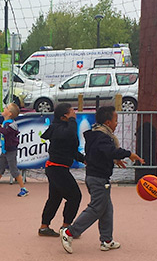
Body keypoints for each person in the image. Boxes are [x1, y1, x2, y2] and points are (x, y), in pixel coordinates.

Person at [60, 106, 145, 253]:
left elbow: (101, 153)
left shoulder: (96, 135)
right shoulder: (103, 137)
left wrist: (114, 158)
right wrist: (128, 154)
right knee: (96, 208)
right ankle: (69, 232)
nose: (117, 123)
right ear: (108, 122)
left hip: (96, 176)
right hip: (98, 178)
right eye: (116, 120)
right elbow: (109, 150)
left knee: (107, 210)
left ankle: (106, 240)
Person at [38, 103, 85, 237]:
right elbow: (69, 134)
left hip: (58, 168)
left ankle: (44, 227)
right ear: (64, 116)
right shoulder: (58, 128)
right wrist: (72, 120)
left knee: (55, 198)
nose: (74, 113)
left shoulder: (63, 128)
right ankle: (66, 227)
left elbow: (72, 150)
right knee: (75, 196)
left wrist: (85, 159)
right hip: (56, 168)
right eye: (71, 111)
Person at [0, 103, 28, 197]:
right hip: (5, 150)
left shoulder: (10, 124)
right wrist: (1, 126)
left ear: (10, 113)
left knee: (13, 170)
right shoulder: (6, 123)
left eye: (7, 108)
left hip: (11, 150)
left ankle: (23, 189)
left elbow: (6, 132)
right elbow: (5, 130)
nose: (4, 108)